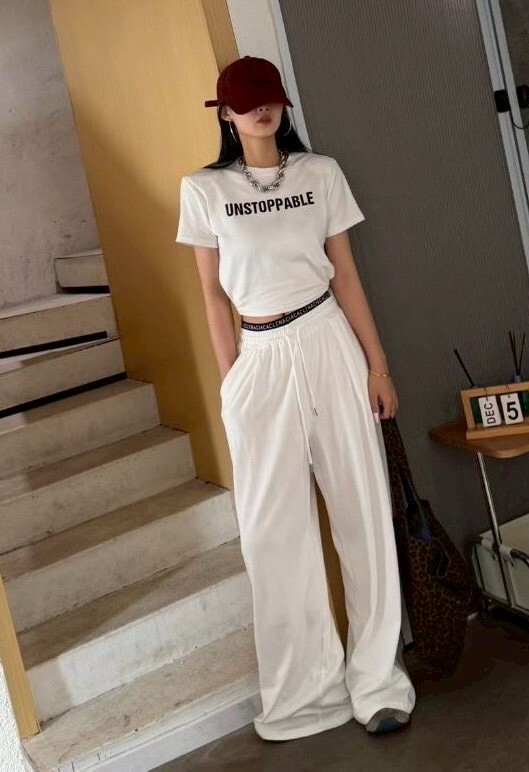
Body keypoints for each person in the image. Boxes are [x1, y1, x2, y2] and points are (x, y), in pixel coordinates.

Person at [176, 55, 416, 741]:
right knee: (273, 531)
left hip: (327, 340)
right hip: (259, 356)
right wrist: (232, 382)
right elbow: (212, 297)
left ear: (282, 104)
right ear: (225, 114)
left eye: (270, 99)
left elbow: (346, 274)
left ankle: (378, 682)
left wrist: (378, 365)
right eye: (247, 102)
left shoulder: (320, 174)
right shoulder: (203, 190)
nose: (262, 110)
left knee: (362, 512)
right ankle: (305, 694)